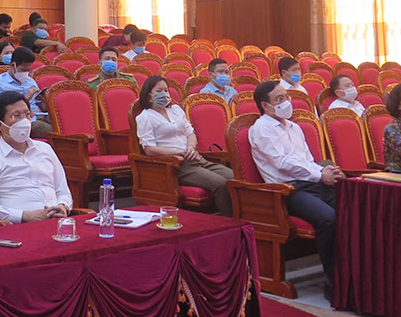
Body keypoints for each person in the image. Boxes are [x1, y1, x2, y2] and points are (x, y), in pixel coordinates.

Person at [249, 80, 342, 294]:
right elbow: (282, 163)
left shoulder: (294, 127)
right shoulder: (261, 129)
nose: (287, 102)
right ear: (266, 106)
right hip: (288, 191)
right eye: (279, 99)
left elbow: (307, 160)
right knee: (328, 218)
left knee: (353, 208)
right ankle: (333, 282)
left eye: (287, 97)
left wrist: (324, 171)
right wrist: (320, 175)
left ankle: (353, 275)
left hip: (313, 182)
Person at [135, 76, 234, 216]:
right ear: (149, 95)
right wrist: (180, 152)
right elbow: (149, 150)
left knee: (234, 177)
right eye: (159, 91)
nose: (164, 94)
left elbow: (190, 133)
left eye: (166, 90)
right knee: (220, 183)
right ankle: (230, 221)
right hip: (177, 165)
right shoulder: (145, 117)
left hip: (196, 158)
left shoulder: (176, 110)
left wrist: (191, 148)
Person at [0, 91, 72, 224]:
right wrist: (24, 215)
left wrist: (63, 206)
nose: (24, 121)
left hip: (57, 223)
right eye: (16, 116)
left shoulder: (45, 149)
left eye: (27, 115)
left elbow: (63, 191)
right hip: (18, 226)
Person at [0, 46, 52, 137]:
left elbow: (41, 105)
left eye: (28, 70)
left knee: (63, 122)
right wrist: (26, 98)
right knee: (54, 130)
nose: (25, 73)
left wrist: (44, 98)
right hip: (20, 120)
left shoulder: (30, 81)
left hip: (39, 114)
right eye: (23, 70)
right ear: (13, 65)